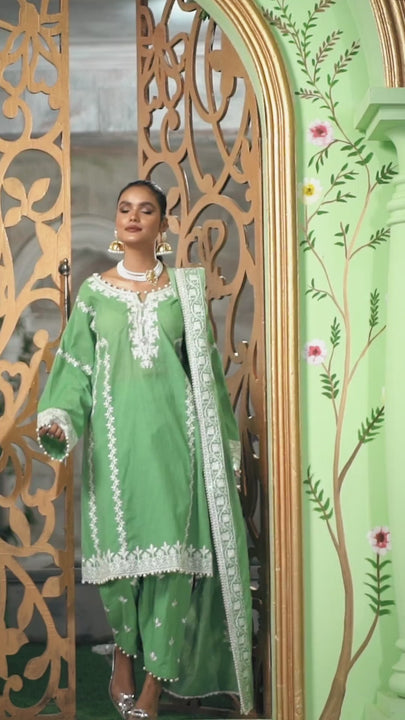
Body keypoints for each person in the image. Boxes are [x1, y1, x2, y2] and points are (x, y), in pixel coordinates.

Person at [37, 180, 254, 719]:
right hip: (116, 447)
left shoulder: (183, 292)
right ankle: (124, 656)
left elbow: (205, 373)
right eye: (125, 209)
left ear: (162, 224)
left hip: (178, 443)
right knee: (119, 564)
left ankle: (154, 686)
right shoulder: (94, 293)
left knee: (173, 565)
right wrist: (61, 418)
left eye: (146, 210)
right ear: (117, 222)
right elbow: (75, 369)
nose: (133, 217)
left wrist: (222, 448)